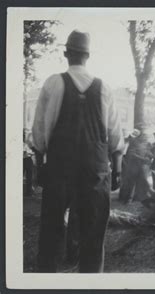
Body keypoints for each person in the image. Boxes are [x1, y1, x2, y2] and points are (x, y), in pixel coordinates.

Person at [32, 30, 124, 272]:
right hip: (95, 170)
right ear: (88, 56)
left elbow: (40, 131)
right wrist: (117, 173)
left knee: (51, 232)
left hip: (60, 169)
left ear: (66, 54)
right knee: (93, 234)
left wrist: (40, 163)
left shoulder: (53, 83)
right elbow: (116, 135)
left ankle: (46, 280)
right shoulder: (104, 88)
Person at [119, 127, 154, 205]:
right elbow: (132, 154)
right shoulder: (134, 142)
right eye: (144, 136)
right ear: (141, 135)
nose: (146, 137)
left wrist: (152, 156)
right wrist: (142, 158)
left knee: (144, 181)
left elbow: (148, 152)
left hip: (141, 166)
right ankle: (128, 199)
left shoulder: (146, 144)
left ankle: (146, 197)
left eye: (147, 136)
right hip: (133, 166)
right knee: (131, 183)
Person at [23, 128, 34, 197]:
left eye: (25, 133)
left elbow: (33, 151)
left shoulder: (29, 142)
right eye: (24, 133)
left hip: (29, 159)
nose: (25, 135)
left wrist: (29, 152)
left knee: (29, 177)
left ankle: (29, 192)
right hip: (22, 159)